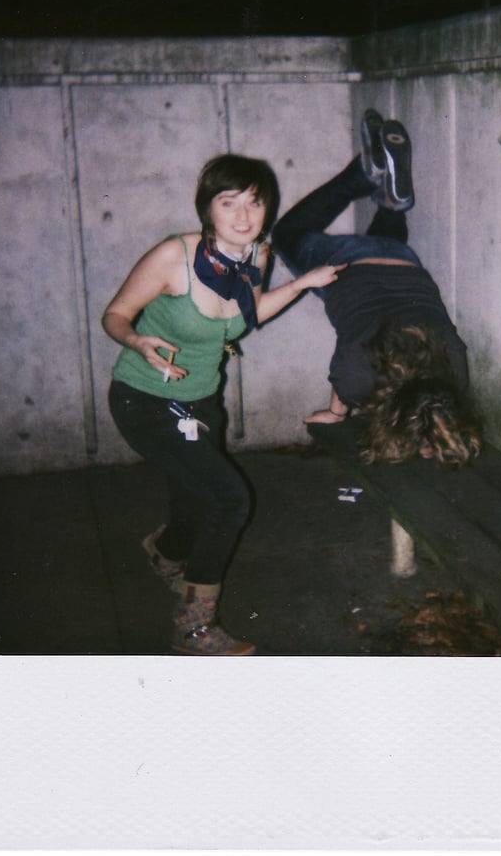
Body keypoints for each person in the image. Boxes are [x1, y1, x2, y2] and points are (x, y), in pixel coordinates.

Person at [102, 153, 342, 656]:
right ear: (206, 209)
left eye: (254, 202)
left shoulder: (257, 255)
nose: (242, 215)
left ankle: (165, 554)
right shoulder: (174, 257)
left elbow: (249, 313)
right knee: (229, 498)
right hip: (146, 399)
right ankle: (193, 627)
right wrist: (137, 342)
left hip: (198, 402)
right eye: (228, 202)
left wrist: (300, 283)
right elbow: (116, 314)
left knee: (193, 489)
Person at [271, 109, 481, 468]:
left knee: (382, 249)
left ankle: (392, 205)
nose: (425, 452)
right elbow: (342, 388)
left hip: (404, 262)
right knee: (285, 236)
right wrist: (336, 415)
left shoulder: (455, 375)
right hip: (348, 267)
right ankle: (363, 174)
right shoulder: (357, 380)